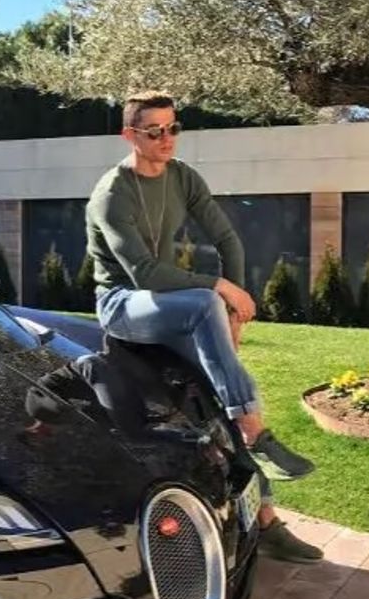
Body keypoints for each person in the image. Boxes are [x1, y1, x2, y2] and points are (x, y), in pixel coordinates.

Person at [83, 90, 322, 563]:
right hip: (123, 304)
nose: (167, 138)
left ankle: (267, 521)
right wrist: (222, 288)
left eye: (173, 128)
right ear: (129, 135)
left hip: (170, 304)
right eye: (155, 131)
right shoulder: (112, 194)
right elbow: (144, 274)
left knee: (223, 389)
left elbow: (227, 237)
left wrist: (232, 311)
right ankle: (255, 429)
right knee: (205, 303)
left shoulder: (182, 177)